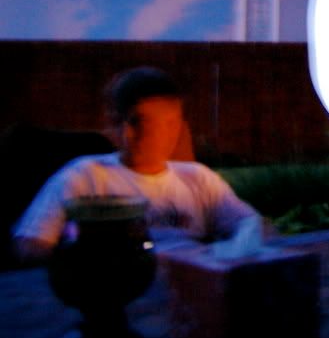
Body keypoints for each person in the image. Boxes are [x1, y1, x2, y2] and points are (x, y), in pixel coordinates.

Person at [12, 67, 259, 263]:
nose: (126, 134)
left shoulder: (198, 179)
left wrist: (235, 248)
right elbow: (30, 244)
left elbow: (251, 225)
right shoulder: (84, 176)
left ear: (173, 126)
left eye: (139, 123)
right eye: (119, 122)